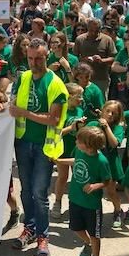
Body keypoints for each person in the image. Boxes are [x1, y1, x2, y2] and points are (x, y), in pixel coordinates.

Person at [9, 38, 68, 256]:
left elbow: (53, 119)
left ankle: (43, 236)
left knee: (39, 194)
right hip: (23, 143)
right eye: (31, 58)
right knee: (25, 190)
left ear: (47, 57)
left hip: (44, 147)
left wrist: (24, 113)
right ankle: (30, 228)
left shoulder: (56, 84)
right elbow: (12, 106)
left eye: (39, 58)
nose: (34, 62)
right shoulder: (22, 78)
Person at [54, 127, 110, 256]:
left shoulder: (101, 161)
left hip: (91, 205)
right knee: (75, 228)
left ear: (90, 145)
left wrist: (95, 186)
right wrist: (59, 161)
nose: (76, 142)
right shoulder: (79, 151)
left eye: (79, 141)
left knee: (94, 234)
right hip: (75, 199)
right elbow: (76, 161)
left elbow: (107, 181)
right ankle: (88, 244)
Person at [86, 100, 126, 229]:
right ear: (102, 111)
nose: (109, 115)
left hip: (110, 164)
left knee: (111, 191)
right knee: (92, 190)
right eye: (107, 111)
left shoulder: (118, 128)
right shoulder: (93, 124)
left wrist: (107, 128)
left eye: (113, 113)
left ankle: (118, 211)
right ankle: (92, 215)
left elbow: (114, 144)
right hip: (94, 163)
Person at [51, 82, 85, 220]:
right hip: (63, 150)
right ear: (69, 96)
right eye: (79, 96)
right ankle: (57, 203)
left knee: (79, 178)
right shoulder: (61, 111)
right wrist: (71, 128)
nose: (81, 99)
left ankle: (78, 205)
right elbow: (55, 133)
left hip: (78, 150)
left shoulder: (80, 110)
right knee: (63, 177)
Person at [73, 18, 117, 95]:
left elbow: (113, 58)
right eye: (91, 30)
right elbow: (74, 57)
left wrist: (102, 60)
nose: (93, 33)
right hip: (82, 78)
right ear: (87, 28)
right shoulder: (80, 40)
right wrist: (84, 60)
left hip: (101, 78)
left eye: (96, 31)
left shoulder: (107, 40)